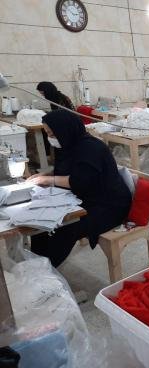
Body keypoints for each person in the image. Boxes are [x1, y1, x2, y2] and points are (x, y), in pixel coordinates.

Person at [28, 110, 132, 267]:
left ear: (64, 130)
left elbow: (79, 181)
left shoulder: (91, 148)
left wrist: (47, 180)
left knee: (65, 227)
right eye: (47, 134)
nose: (50, 138)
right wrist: (46, 174)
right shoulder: (68, 144)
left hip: (109, 205)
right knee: (41, 223)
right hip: (86, 198)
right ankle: (36, 264)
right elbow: (67, 170)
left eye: (52, 134)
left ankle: (45, 268)